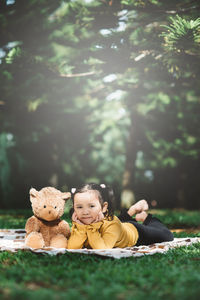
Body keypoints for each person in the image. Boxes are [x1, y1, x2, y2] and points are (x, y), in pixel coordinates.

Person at [67, 183, 174, 249]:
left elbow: (102, 248)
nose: (85, 212)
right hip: (118, 226)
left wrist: (92, 229)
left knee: (167, 236)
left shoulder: (112, 224)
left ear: (104, 207)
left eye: (91, 206)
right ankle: (132, 211)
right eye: (79, 207)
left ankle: (146, 218)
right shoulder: (79, 222)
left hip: (136, 233)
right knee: (113, 221)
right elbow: (72, 247)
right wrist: (81, 228)